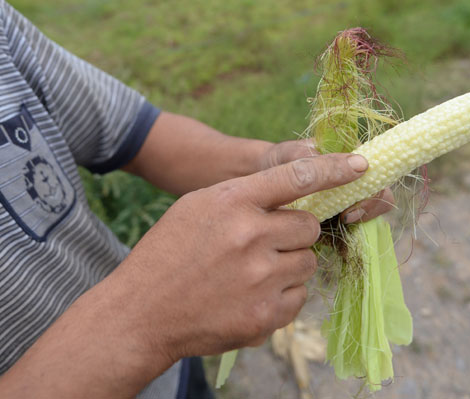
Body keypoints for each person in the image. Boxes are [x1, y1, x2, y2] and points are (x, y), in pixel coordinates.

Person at [0, 1, 394, 398]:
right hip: (164, 337)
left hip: (172, 370)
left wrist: (269, 166)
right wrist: (149, 317)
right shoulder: (164, 325)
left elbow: (133, 133)